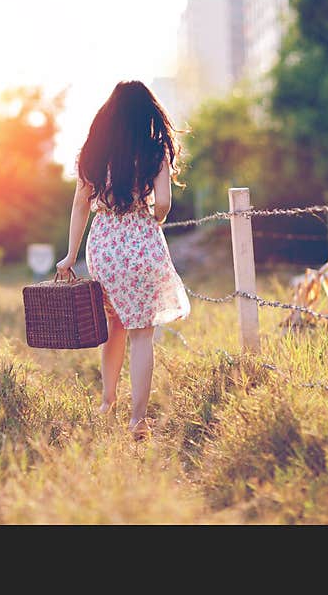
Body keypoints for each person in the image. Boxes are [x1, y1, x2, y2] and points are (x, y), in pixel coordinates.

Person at [56, 80, 190, 440]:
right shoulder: (155, 151)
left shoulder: (94, 152)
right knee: (142, 333)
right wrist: (154, 216)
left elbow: (80, 204)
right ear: (148, 114)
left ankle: (107, 400)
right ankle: (138, 421)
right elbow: (162, 205)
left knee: (114, 326)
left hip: (104, 249)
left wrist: (70, 255)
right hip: (142, 245)